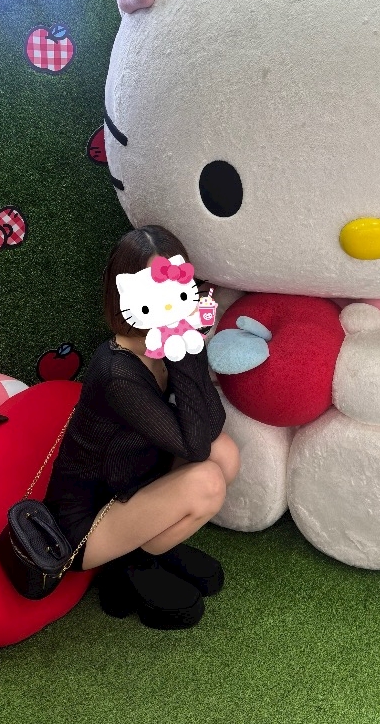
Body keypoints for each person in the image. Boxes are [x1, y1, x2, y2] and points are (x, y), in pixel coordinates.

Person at [44, 225, 240, 631]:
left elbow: (210, 424)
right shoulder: (118, 372)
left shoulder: (161, 342)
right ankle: (127, 564)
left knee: (225, 451)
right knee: (206, 480)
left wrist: (188, 343)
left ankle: (147, 549)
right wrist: (186, 351)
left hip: (135, 479)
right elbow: (194, 446)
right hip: (89, 518)